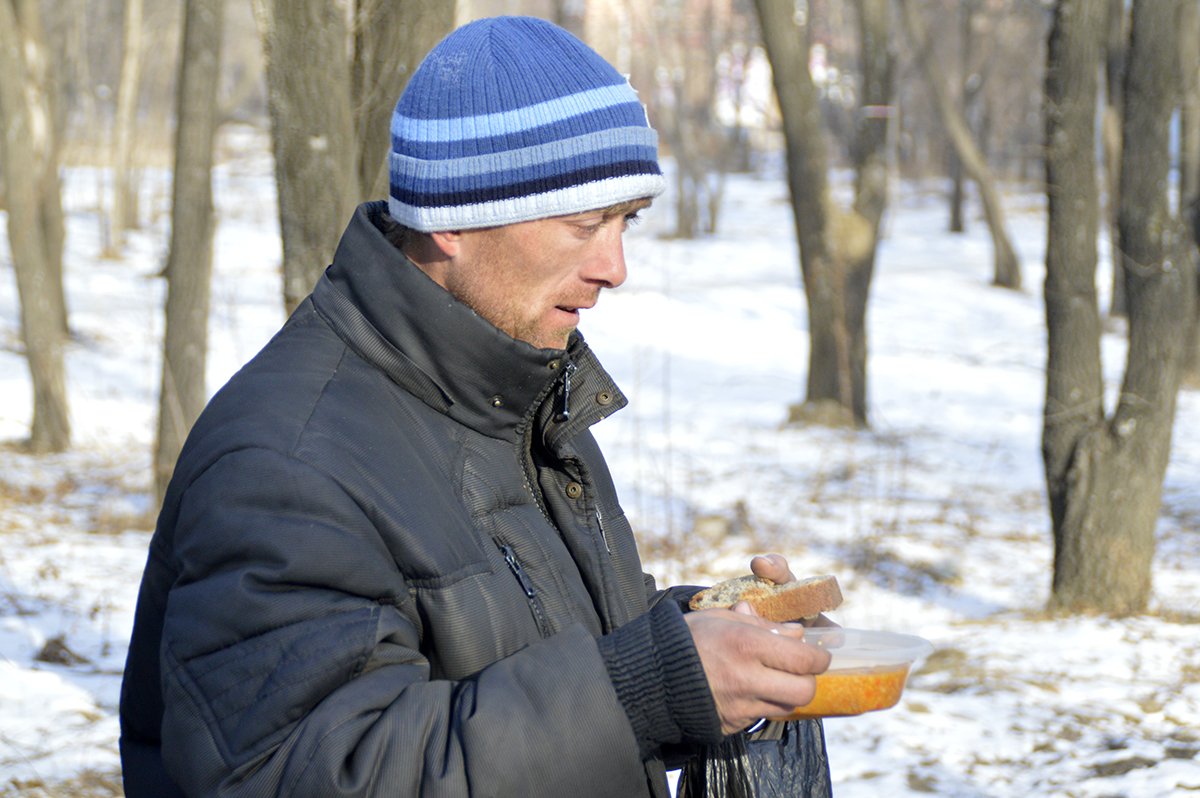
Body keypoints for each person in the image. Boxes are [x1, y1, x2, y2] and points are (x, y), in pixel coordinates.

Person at [119, 15, 831, 798]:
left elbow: (519, 649)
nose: (615, 266)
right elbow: (299, 774)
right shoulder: (287, 463)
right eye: (583, 222)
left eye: (626, 222)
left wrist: (700, 637)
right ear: (453, 217)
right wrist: (645, 690)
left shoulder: (517, 391)